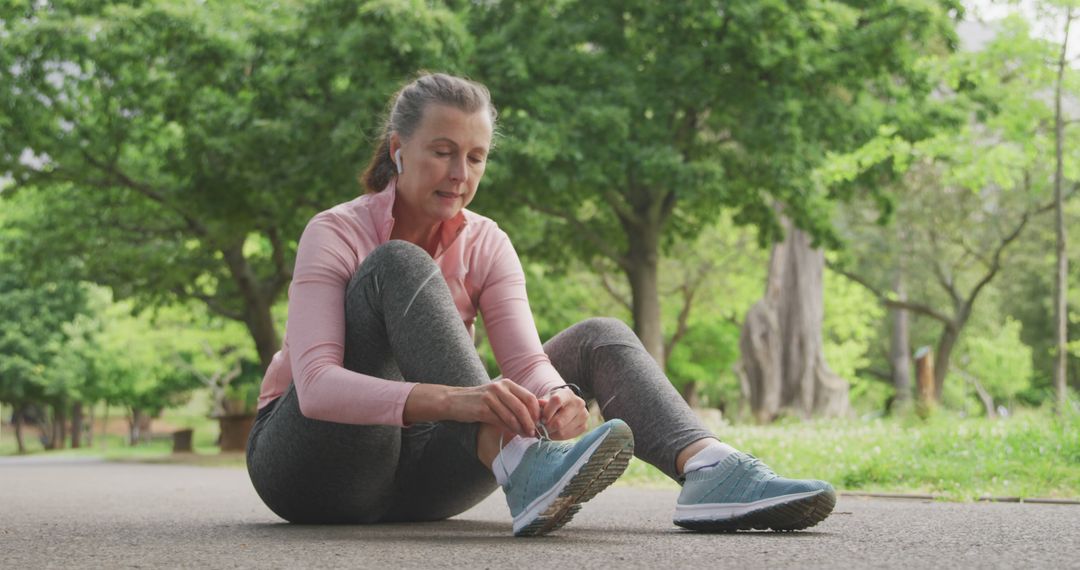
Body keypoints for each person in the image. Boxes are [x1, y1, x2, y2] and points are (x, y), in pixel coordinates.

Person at [246, 72, 836, 537]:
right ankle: (525, 464)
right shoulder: (336, 231)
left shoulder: (487, 241)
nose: (460, 174)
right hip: (312, 463)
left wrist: (556, 401)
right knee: (398, 264)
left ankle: (709, 469)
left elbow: (527, 362)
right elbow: (319, 387)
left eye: (475, 158)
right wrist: (463, 401)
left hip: (422, 480)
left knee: (598, 337)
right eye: (443, 152)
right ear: (399, 151)